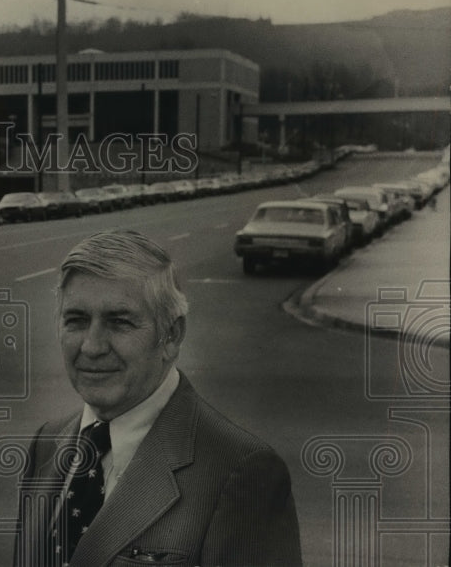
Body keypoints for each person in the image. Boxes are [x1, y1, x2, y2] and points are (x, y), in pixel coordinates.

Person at [15, 230, 301, 567]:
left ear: (172, 335)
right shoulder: (46, 444)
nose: (92, 346)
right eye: (76, 320)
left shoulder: (241, 473)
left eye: (119, 322)